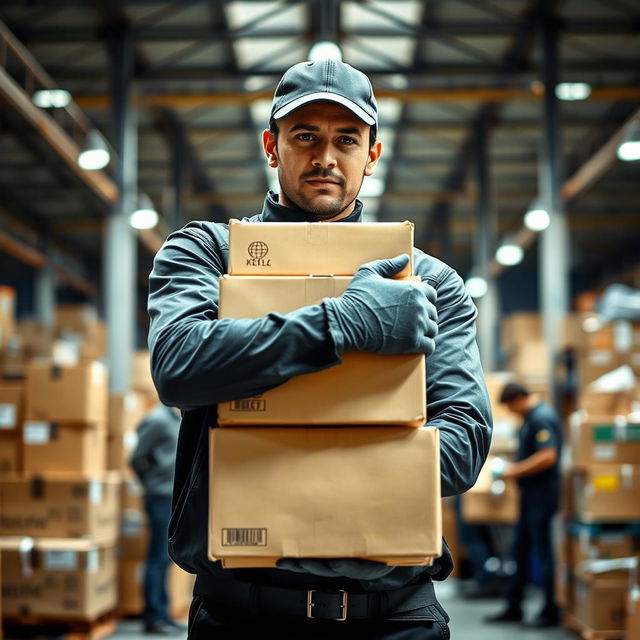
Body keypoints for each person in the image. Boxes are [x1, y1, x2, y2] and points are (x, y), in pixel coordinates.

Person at [147, 58, 492, 639]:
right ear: (271, 146)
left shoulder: (430, 284)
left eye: (346, 140)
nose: (325, 157)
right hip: (241, 615)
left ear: (373, 155)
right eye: (304, 136)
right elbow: (181, 366)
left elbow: (463, 450)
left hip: (393, 616)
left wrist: (287, 443)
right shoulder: (205, 253)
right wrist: (344, 325)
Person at [485, 382, 562, 627]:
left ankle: (550, 612)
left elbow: (548, 456)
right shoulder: (530, 419)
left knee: (542, 553)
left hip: (542, 496)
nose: (511, 411)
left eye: (510, 406)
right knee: (520, 549)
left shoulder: (541, 418)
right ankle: (513, 607)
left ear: (519, 399)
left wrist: (514, 471)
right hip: (531, 496)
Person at [130, 403, 186, 635]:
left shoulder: (176, 419)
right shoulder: (157, 420)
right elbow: (137, 458)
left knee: (166, 558)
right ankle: (153, 617)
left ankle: (163, 614)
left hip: (171, 496)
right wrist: (151, 484)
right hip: (159, 496)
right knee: (157, 557)